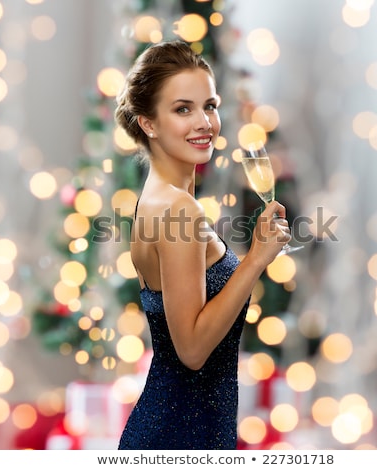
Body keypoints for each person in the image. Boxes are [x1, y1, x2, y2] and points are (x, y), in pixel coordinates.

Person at [115, 40, 291, 450]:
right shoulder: (178, 207)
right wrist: (255, 260)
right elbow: (191, 350)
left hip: (185, 429)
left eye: (209, 106)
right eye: (182, 109)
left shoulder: (158, 197)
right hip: (179, 436)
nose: (204, 122)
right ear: (149, 123)